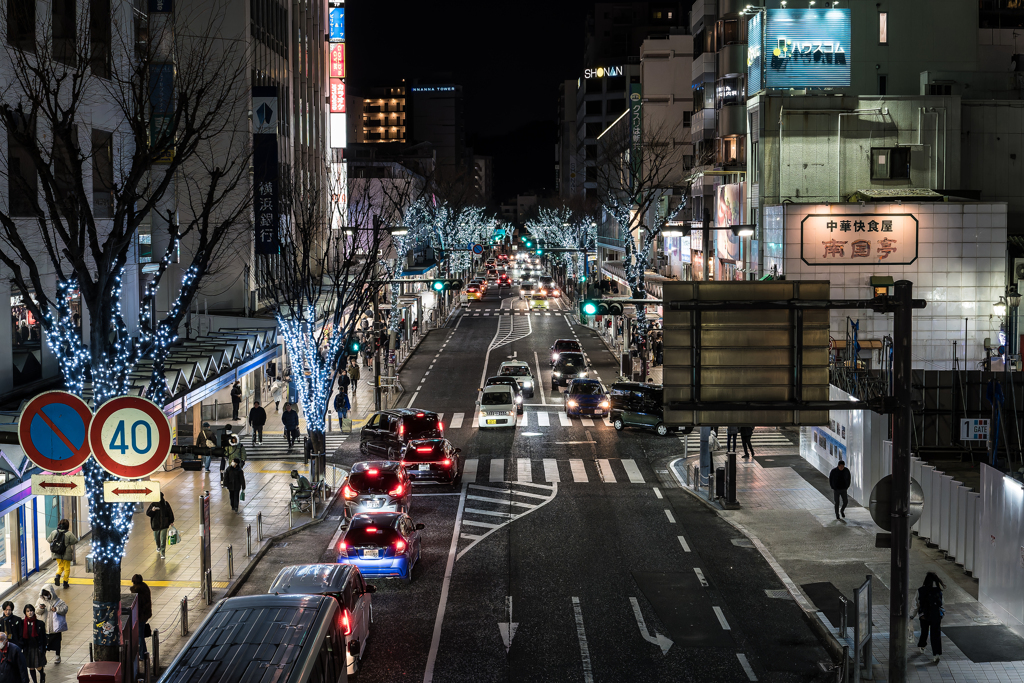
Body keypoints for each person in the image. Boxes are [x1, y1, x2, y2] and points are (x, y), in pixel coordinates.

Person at [915, 572, 945, 663]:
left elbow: (916, 604)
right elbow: (942, 603)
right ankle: (936, 654)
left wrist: (911, 616)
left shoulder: (920, 590)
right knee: (935, 635)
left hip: (924, 616)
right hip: (936, 615)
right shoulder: (938, 590)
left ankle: (922, 646)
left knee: (924, 632)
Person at [45, 520, 76, 589]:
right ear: (67, 526)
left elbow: (48, 540)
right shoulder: (69, 534)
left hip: (57, 552)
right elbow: (75, 541)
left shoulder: (54, 532)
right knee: (67, 568)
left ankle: (57, 576)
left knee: (60, 566)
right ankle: (65, 583)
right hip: (66, 553)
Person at [36, 592, 65, 665]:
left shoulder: (57, 600)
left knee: (57, 642)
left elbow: (65, 609)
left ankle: (57, 655)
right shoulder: (40, 600)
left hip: (55, 627)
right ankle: (43, 657)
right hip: (45, 627)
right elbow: (37, 611)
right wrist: (40, 608)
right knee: (43, 643)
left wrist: (56, 609)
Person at [19, 606, 44, 683]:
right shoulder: (23, 623)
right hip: (28, 648)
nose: (30, 612)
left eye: (31, 611)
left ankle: (42, 676)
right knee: (31, 667)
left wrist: (43, 648)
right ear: (25, 613)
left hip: (37, 647)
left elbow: (43, 637)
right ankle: (35, 681)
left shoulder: (40, 623)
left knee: (39, 666)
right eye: (28, 611)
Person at [146, 493, 174, 558]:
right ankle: (158, 546)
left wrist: (171, 521)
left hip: (164, 524)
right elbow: (148, 513)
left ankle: (163, 552)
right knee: (157, 538)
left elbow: (170, 512)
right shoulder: (153, 504)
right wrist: (152, 510)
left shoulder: (166, 504)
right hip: (155, 525)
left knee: (163, 539)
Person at [129, 576, 152, 657]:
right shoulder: (144, 587)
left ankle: (142, 654)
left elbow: (137, 603)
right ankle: (143, 653)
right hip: (145, 614)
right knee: (140, 635)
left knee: (140, 636)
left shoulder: (137, 591)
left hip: (140, 615)